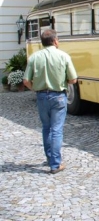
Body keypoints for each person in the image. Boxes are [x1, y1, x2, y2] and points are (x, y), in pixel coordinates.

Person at [23, 29, 78, 174]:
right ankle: (55, 164)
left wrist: (35, 88)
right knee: (57, 130)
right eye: (58, 39)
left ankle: (49, 158)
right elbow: (73, 79)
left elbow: (26, 80)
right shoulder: (63, 56)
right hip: (58, 96)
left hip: (41, 96)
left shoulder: (34, 57)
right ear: (54, 41)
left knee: (46, 128)